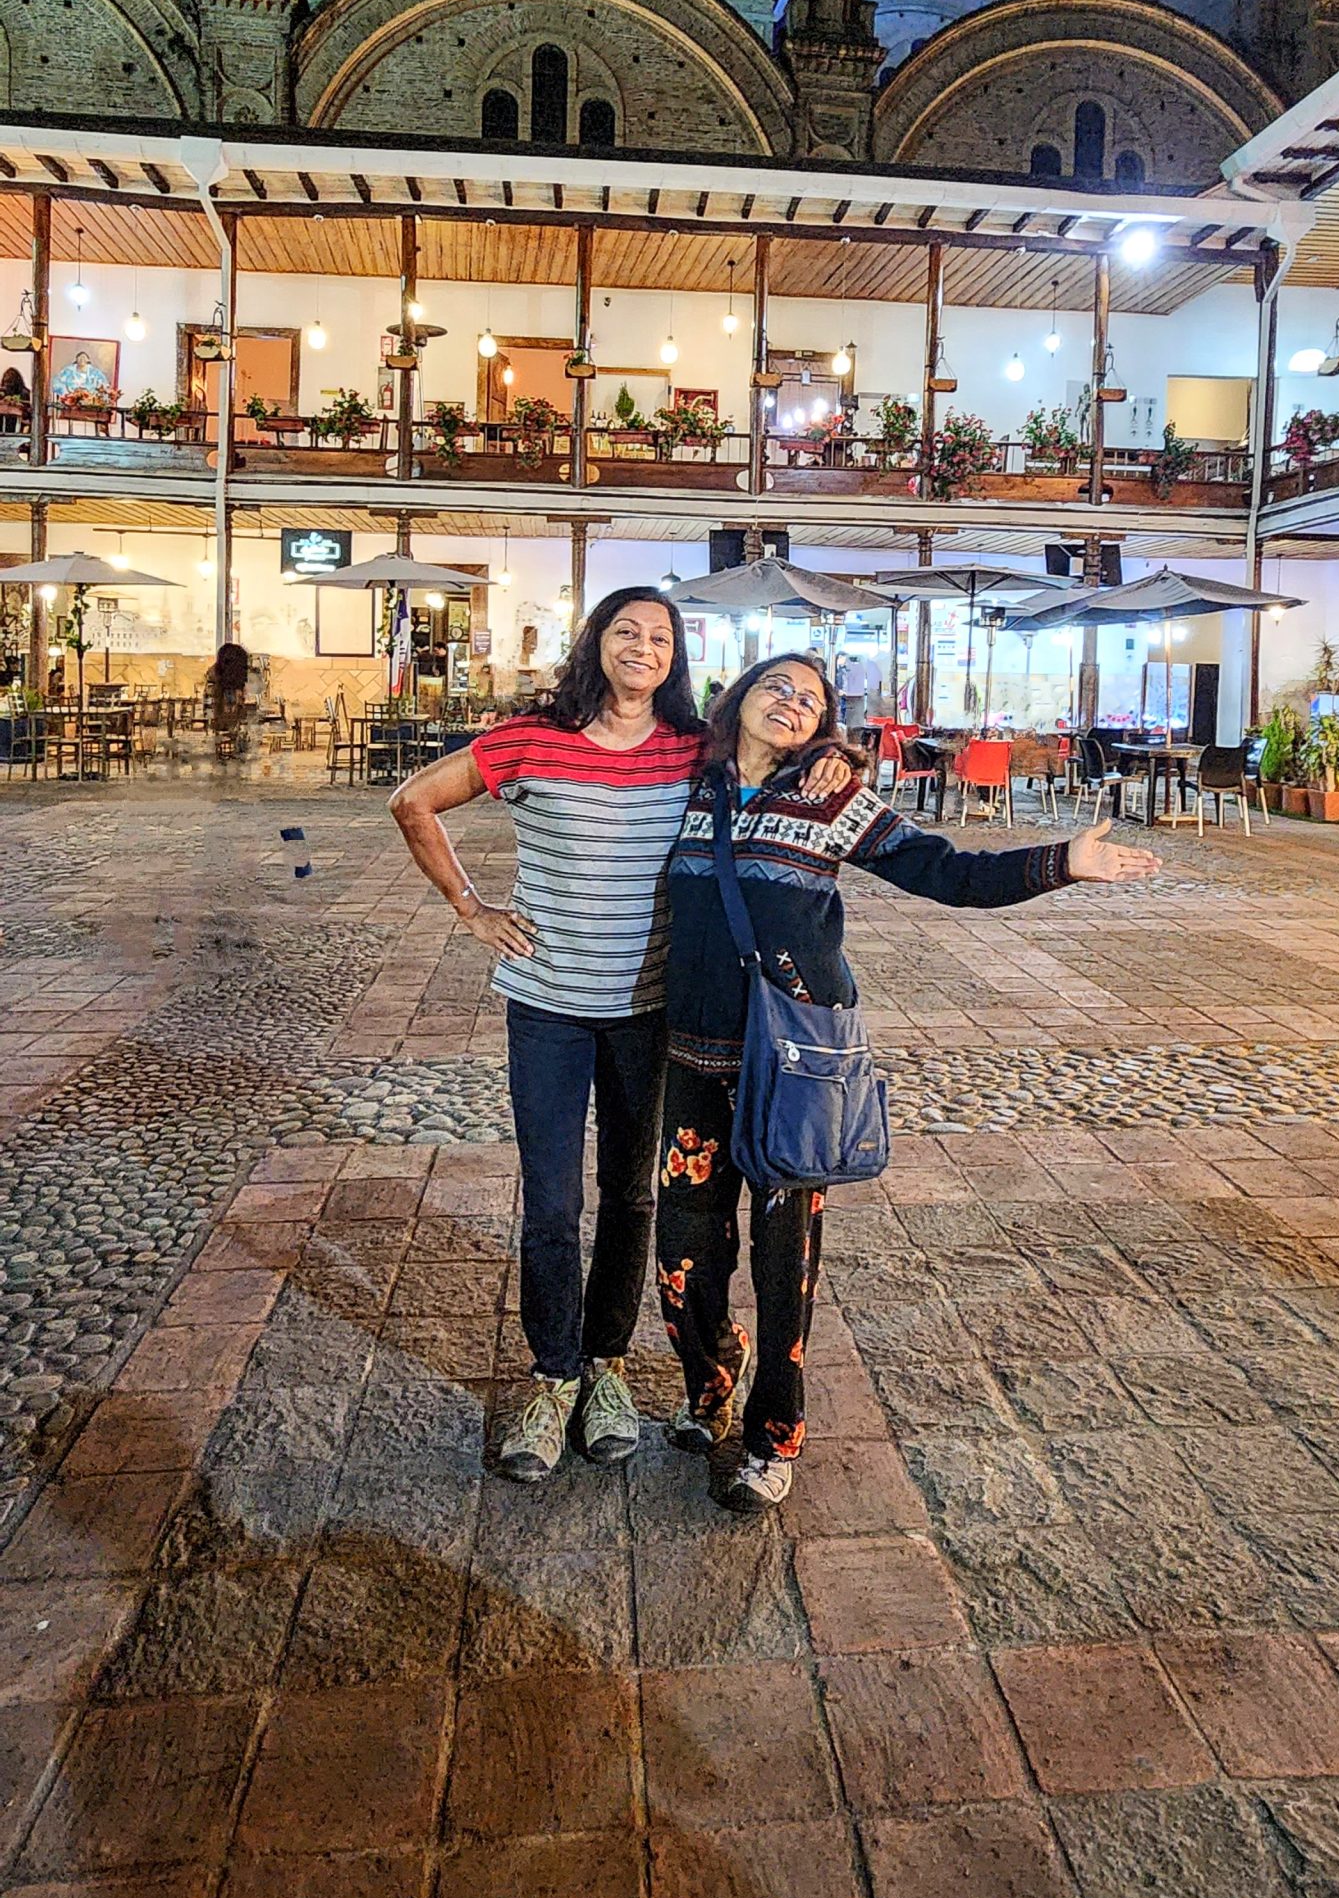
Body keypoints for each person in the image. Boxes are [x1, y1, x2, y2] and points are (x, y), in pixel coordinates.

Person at [657, 651, 1161, 1513]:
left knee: (787, 1266)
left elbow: (945, 871)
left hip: (795, 1068)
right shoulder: (681, 785)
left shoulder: (829, 795)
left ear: (823, 727)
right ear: (735, 699)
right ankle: (709, 1381)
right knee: (683, 1257)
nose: (791, 703)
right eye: (777, 686)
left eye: (811, 701)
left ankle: (774, 1434)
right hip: (692, 1062)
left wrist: (1062, 863)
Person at [389, 587, 847, 1486]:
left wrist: (839, 756)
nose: (643, 648)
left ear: (677, 659)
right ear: (596, 642)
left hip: (651, 1014)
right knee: (553, 1203)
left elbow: (781, 757)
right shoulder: (529, 738)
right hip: (548, 1006)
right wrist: (469, 908)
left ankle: (604, 1368)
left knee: (632, 1199)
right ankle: (553, 1375)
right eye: (627, 632)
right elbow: (414, 802)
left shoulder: (692, 753)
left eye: (661, 638)